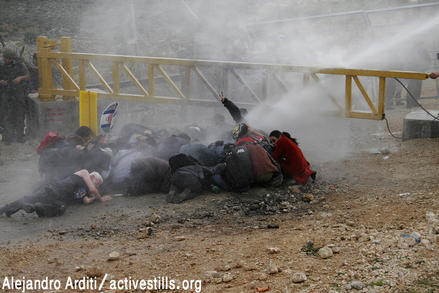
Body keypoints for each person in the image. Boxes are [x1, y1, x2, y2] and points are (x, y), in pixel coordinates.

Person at [0, 170, 111, 217]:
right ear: (93, 177)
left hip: (57, 198)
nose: (96, 186)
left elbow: (86, 201)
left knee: (60, 208)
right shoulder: (84, 172)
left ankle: (32, 207)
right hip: (54, 190)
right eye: (97, 184)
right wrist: (101, 198)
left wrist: (94, 199)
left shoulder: (84, 190)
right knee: (58, 207)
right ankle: (8, 209)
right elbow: (93, 190)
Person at [0, 48, 30, 144]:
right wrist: (1, 81)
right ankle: (8, 138)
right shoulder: (2, 66)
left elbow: (27, 75)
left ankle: (20, 137)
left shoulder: (20, 65)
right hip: (6, 95)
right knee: (7, 117)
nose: (4, 59)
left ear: (10, 58)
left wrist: (20, 78)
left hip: (18, 95)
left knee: (20, 116)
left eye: (5, 58)